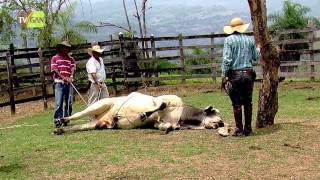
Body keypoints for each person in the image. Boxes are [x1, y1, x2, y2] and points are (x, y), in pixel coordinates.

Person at [221, 17, 261, 136]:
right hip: (248, 74)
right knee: (248, 102)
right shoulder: (250, 40)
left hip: (235, 75)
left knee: (236, 103)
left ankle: (239, 130)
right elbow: (255, 57)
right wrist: (258, 48)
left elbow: (227, 60)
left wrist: (224, 75)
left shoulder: (229, 40)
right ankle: (248, 129)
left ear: (232, 29)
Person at [50, 41, 76, 128]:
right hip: (59, 83)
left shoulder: (71, 59)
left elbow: (72, 67)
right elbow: (55, 70)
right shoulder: (55, 58)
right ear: (60, 48)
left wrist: (71, 76)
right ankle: (57, 120)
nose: (66, 49)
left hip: (69, 82)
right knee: (59, 102)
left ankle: (66, 119)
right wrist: (63, 77)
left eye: (67, 48)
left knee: (69, 102)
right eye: (64, 47)